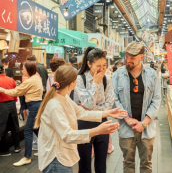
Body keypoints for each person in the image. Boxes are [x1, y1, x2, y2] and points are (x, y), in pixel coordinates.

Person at [34, 65, 127, 173]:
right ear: (72, 84)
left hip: (62, 156)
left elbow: (81, 112)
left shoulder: (64, 97)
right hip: (56, 158)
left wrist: (107, 113)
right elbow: (67, 135)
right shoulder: (55, 105)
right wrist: (98, 130)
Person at [112, 42, 161, 173]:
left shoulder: (152, 75)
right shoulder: (118, 75)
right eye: (126, 57)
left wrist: (143, 123)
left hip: (147, 128)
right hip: (126, 127)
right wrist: (127, 119)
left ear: (142, 57)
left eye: (132, 58)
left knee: (146, 164)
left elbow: (156, 100)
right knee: (128, 163)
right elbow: (114, 98)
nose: (128, 60)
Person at [74, 47, 115, 173]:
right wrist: (95, 84)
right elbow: (88, 104)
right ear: (89, 64)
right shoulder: (80, 79)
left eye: (104, 65)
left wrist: (90, 109)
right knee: (84, 164)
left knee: (101, 163)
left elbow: (110, 103)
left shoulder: (107, 79)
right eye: (98, 65)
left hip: (103, 122)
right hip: (84, 123)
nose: (102, 69)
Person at [0, 62, 43, 166]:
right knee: (37, 129)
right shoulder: (36, 77)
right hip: (37, 105)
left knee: (28, 131)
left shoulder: (30, 80)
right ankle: (45, 150)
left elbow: (16, 91)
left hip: (33, 106)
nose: (22, 71)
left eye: (23, 69)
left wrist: (2, 90)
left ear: (28, 69)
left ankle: (27, 157)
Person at [0, 64, 21, 156]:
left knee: (3, 128)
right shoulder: (11, 79)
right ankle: (17, 147)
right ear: (4, 71)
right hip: (12, 104)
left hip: (1, 106)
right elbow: (16, 93)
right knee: (14, 126)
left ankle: (5, 150)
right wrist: (15, 102)